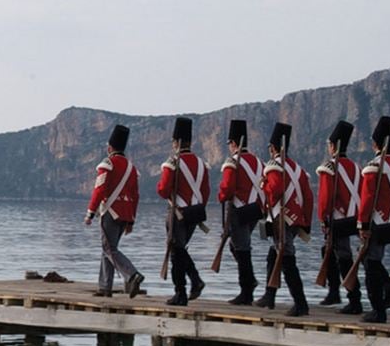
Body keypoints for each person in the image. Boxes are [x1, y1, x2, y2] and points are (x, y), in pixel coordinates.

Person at [256, 122, 313, 316]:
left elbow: (275, 192)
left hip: (281, 218)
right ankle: (269, 296)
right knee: (274, 256)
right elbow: (308, 197)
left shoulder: (273, 166)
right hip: (295, 220)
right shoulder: (296, 168)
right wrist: (306, 223)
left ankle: (301, 303)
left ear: (273, 147)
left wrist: (264, 186)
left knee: (288, 262)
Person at [83, 124, 144, 298]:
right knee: (109, 249)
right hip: (125, 213)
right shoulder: (131, 168)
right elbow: (135, 195)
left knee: (109, 248)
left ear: (110, 147)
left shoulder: (107, 163)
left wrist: (90, 213)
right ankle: (105, 287)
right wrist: (131, 219)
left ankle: (132, 274)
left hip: (111, 212)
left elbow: (99, 190)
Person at [357, 116, 390, 324]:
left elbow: (367, 198)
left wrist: (363, 224)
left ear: (375, 143)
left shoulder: (373, 166)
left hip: (376, 223)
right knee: (374, 262)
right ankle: (388, 289)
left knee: (370, 265)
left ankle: (378, 310)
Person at [157, 117, 210, 306]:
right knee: (180, 251)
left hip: (178, 213)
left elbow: (163, 190)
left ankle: (182, 292)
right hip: (195, 213)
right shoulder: (201, 163)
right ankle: (194, 282)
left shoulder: (173, 162)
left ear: (176, 142)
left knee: (176, 252)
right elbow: (205, 192)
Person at [315, 120, 362, 314]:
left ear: (333, 146)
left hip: (338, 219)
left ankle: (352, 297)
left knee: (342, 257)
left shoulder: (330, 167)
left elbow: (325, 197)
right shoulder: (356, 167)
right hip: (355, 217)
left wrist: (323, 218)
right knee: (329, 250)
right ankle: (335, 291)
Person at [217, 120, 264, 305]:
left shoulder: (232, 162)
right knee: (238, 247)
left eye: (230, 143)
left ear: (234, 143)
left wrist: (220, 195)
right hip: (255, 210)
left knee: (241, 250)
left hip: (239, 210)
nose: (229, 147)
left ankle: (246, 290)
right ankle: (249, 280)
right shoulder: (258, 162)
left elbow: (227, 188)